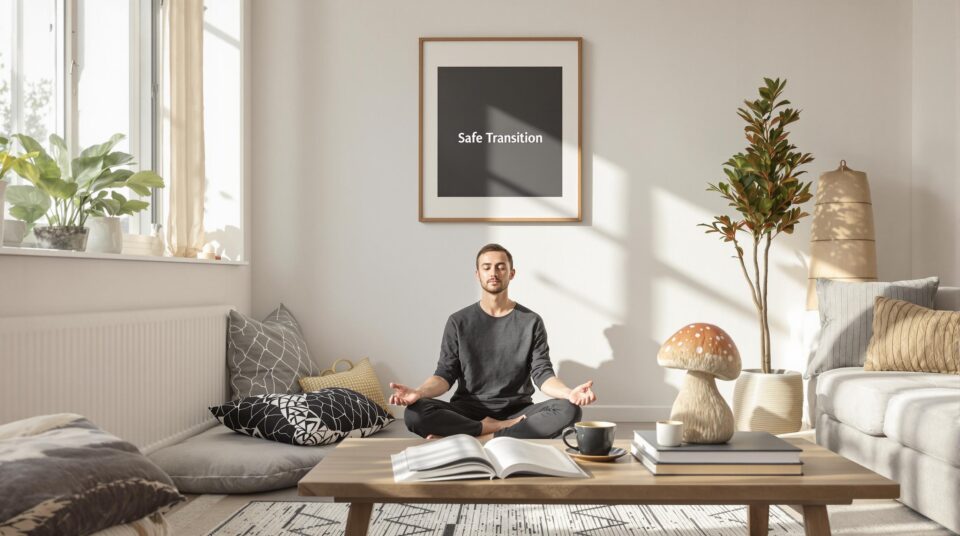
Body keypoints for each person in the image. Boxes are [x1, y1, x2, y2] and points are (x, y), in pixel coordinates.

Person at [389, 243, 597, 440]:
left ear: (511, 273)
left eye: (500, 267)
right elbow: (445, 374)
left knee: (569, 410)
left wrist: (569, 393)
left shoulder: (531, 321)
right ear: (477, 274)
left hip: (517, 412)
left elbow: (543, 373)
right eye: (487, 267)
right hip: (468, 411)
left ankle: (481, 438)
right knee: (415, 413)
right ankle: (493, 430)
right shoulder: (458, 321)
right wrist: (418, 392)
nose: (493, 273)